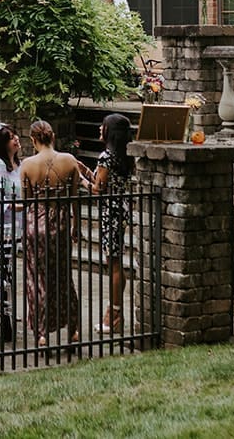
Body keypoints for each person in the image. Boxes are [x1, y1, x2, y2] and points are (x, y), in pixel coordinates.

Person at [19, 120, 82, 348]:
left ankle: (42, 333)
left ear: (33, 139)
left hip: (36, 224)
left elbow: (26, 201)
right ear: (53, 136)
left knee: (38, 279)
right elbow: (75, 199)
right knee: (63, 276)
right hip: (62, 222)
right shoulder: (69, 161)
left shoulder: (27, 164)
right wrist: (77, 226)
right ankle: (73, 330)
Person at [93, 113, 134, 333]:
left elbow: (98, 188)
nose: (100, 130)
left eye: (103, 127)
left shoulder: (105, 157)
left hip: (110, 213)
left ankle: (114, 315)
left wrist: (81, 178)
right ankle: (115, 310)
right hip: (122, 209)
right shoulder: (125, 155)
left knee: (114, 263)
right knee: (116, 261)